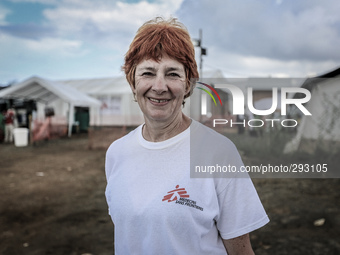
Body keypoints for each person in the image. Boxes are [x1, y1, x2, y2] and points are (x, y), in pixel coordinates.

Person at [105, 17, 269, 254]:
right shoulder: (116, 153)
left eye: (172, 74)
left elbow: (241, 251)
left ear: (189, 85)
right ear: (132, 82)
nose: (159, 86)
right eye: (148, 73)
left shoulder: (218, 153)